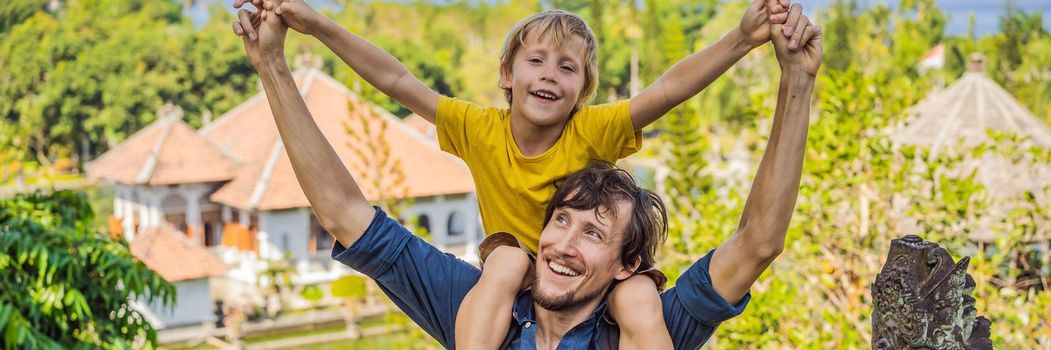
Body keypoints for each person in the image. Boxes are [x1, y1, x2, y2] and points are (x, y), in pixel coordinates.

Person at [231, 0, 822, 347]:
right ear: (507, 73)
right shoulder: (481, 304)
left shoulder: (628, 306)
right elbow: (391, 95)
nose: (562, 241)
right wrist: (289, 50)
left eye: (593, 231)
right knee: (509, 260)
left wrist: (753, 46)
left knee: (637, 300)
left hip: (608, 291)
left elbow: (757, 240)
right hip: (505, 266)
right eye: (560, 219)